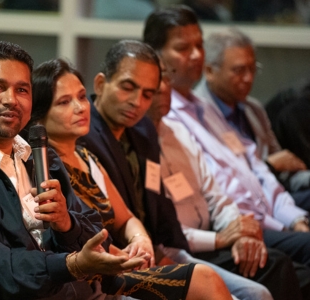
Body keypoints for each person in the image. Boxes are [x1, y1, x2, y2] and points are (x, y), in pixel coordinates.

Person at [0, 40, 164, 300]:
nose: (11, 100)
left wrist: (66, 223)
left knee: (198, 280)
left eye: (22, 90)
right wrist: (71, 265)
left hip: (87, 292)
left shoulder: (38, 155)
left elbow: (95, 232)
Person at [76, 39, 270, 300]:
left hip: (159, 249)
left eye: (147, 94)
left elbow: (158, 201)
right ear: (100, 84)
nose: (137, 102)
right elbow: (98, 224)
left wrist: (167, 254)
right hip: (118, 261)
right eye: (127, 87)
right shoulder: (82, 136)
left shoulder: (144, 131)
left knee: (258, 293)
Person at [28, 57, 233, 300]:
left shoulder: (85, 155)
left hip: (125, 263)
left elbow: (126, 219)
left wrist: (140, 239)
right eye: (64, 102)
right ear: (39, 118)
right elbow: (82, 239)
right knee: (205, 280)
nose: (80, 107)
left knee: (211, 281)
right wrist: (128, 257)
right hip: (96, 277)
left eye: (82, 97)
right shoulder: (45, 168)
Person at [142, 3, 310, 278]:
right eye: (184, 48)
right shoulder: (163, 116)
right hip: (219, 230)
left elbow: (256, 169)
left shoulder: (206, 106)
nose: (197, 55)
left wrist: (293, 218)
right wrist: (237, 229)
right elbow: (212, 191)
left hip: (253, 220)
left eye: (199, 45)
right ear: (155, 54)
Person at [194, 27, 310, 211]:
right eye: (239, 70)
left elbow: (287, 168)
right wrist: (269, 166)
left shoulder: (253, 109)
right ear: (209, 70)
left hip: (277, 197)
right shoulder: (195, 115)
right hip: (237, 208)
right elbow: (219, 181)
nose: (248, 78)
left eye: (252, 69)